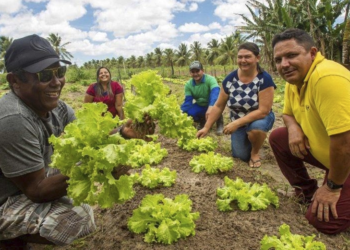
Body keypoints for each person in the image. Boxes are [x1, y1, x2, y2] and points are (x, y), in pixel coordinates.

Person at [0, 34, 150, 249]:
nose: (56, 82)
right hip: (7, 196)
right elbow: (38, 190)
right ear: (14, 80)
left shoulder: (59, 108)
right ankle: (9, 237)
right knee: (76, 218)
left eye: (59, 72)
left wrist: (123, 133)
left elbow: (91, 141)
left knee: (74, 190)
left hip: (27, 181)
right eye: (44, 75)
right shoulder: (12, 118)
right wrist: (99, 168)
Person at [269, 28, 350, 234]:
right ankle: (307, 192)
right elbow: (287, 114)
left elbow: (346, 143)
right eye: (279, 60)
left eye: (291, 55)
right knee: (280, 137)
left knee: (323, 223)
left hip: (345, 157)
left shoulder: (326, 78)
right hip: (334, 158)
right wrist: (294, 127)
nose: (284, 64)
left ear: (312, 53)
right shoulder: (294, 80)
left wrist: (332, 187)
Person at [197, 42, 276, 168]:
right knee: (240, 156)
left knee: (256, 128)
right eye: (240, 57)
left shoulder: (264, 79)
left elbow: (263, 111)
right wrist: (206, 127)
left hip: (259, 118)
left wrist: (236, 123)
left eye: (247, 56)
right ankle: (251, 140)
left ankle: (255, 151)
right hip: (238, 122)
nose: (243, 60)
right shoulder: (230, 79)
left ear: (257, 58)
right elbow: (218, 106)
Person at [181, 61, 224, 134]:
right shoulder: (188, 85)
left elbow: (215, 92)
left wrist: (211, 107)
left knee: (215, 106)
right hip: (201, 104)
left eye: (197, 71)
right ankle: (202, 121)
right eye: (192, 72)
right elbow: (188, 101)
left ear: (202, 71)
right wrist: (181, 112)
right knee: (189, 112)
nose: (195, 74)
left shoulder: (210, 79)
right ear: (190, 73)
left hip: (212, 104)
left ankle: (219, 122)